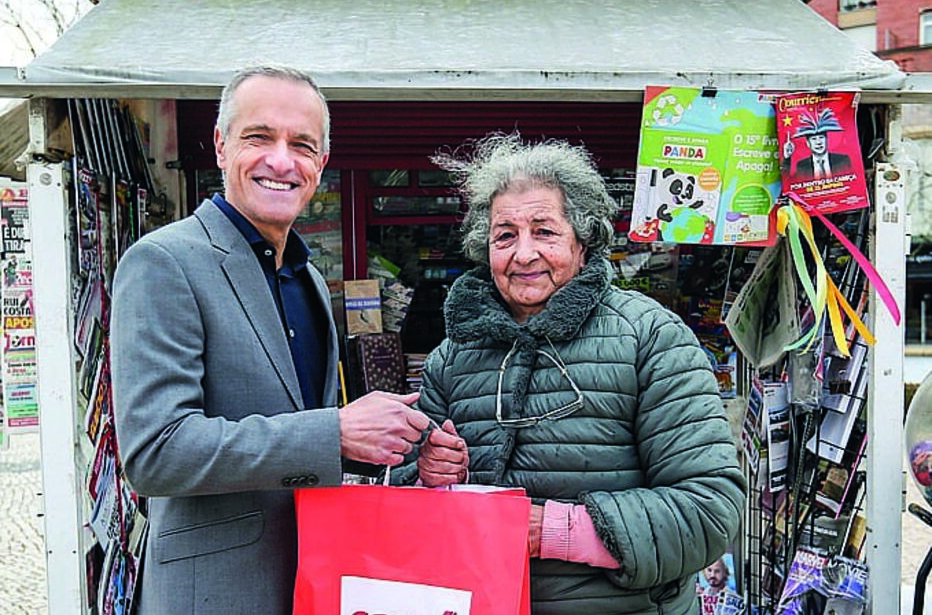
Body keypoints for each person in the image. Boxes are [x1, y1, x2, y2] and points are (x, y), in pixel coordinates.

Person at [110, 65, 429, 614]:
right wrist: (336, 432)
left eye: (302, 145)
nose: (281, 161)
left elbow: (309, 445)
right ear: (220, 145)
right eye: (259, 137)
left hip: (315, 582)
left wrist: (405, 455)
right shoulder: (163, 262)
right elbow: (155, 454)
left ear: (321, 163)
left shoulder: (304, 276)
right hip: (215, 595)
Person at [397, 132, 747, 614]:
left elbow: (708, 512)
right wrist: (432, 479)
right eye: (505, 236)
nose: (523, 254)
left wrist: (554, 532)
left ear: (583, 242)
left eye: (544, 231)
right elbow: (405, 509)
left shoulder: (651, 338)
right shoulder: (452, 357)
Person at [782, 107, 852, 179]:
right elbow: (787, 181)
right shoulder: (802, 166)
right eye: (814, 139)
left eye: (821, 138)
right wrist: (787, 158)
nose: (818, 142)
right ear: (808, 143)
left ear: (826, 140)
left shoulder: (842, 160)